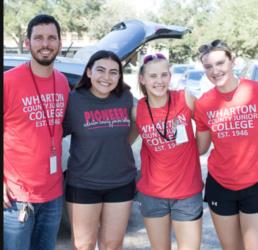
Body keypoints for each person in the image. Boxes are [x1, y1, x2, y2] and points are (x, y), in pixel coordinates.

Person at [3, 14, 70, 250]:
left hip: (53, 196)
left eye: (52, 38)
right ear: (27, 43)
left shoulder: (62, 82)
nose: (45, 44)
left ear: (60, 44)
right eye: (38, 37)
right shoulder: (8, 82)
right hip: (15, 198)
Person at [62, 50, 137, 250]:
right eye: (100, 70)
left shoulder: (126, 97)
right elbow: (50, 134)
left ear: (119, 76)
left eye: (114, 72)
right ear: (88, 72)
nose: (107, 77)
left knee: (112, 244)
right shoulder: (73, 100)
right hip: (83, 183)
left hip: (121, 182)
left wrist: (116, 148)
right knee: (83, 245)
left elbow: (136, 126)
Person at [132, 53, 203, 250]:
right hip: (152, 194)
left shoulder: (185, 99)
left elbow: (207, 125)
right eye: (153, 76)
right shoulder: (137, 111)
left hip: (187, 193)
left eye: (164, 75)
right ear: (142, 79)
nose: (159, 81)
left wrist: (197, 150)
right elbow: (123, 142)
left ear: (170, 76)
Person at [194, 39, 258, 250]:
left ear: (232, 61)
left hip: (254, 182)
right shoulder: (204, 103)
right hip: (220, 184)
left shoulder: (255, 91)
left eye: (220, 63)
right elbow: (201, 147)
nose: (215, 70)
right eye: (208, 66)